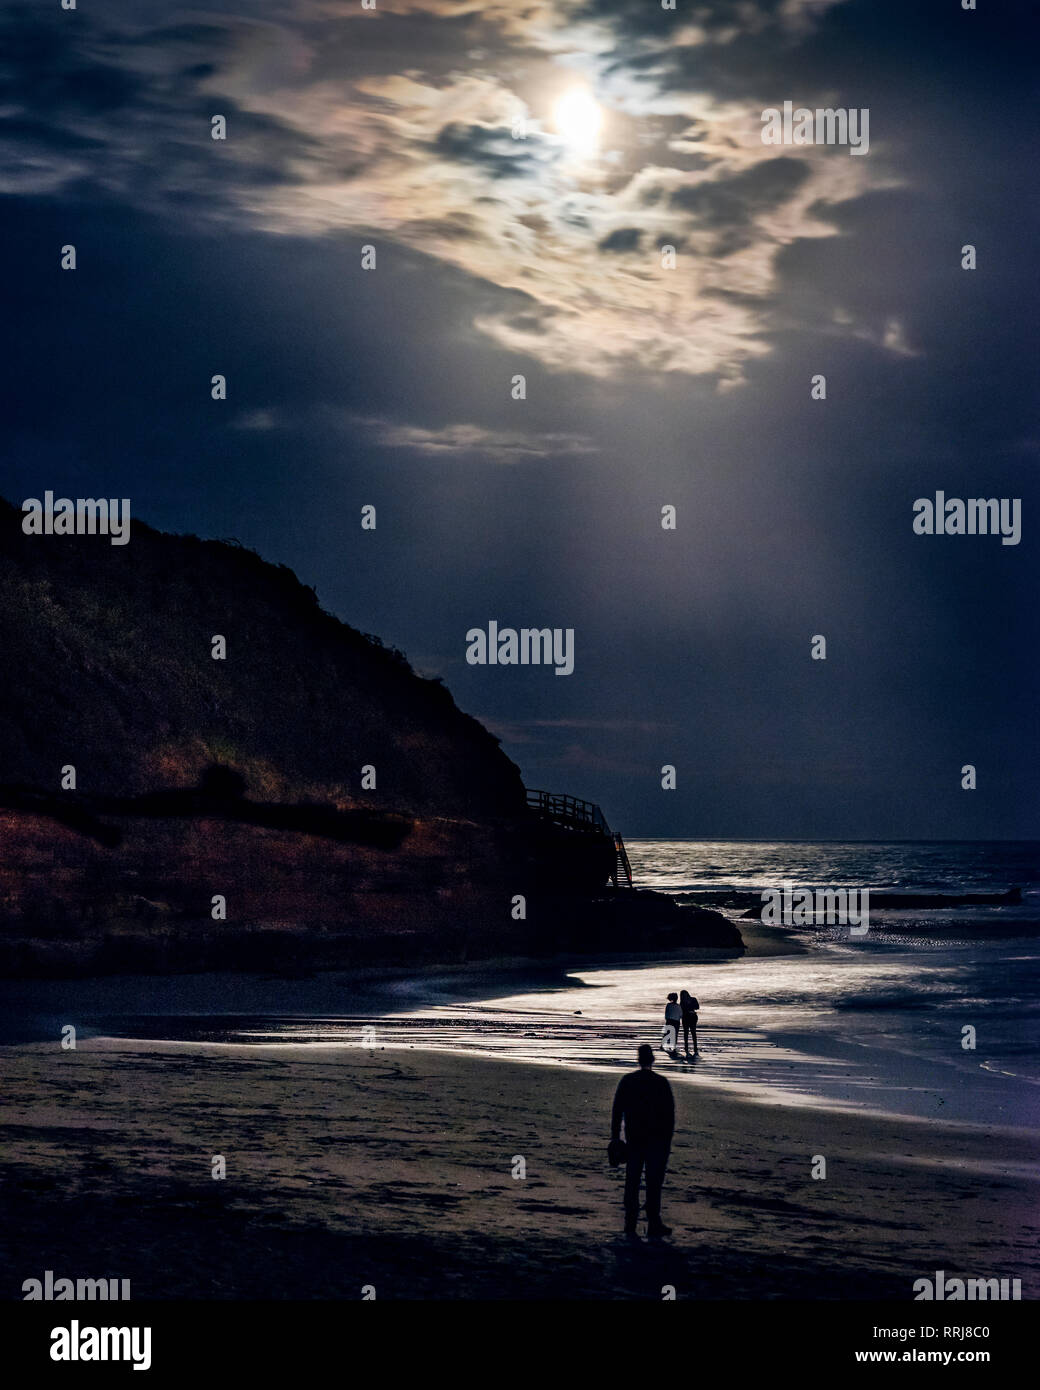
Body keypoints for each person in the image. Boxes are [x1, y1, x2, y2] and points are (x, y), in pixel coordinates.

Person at [610, 1043, 675, 1239]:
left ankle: (630, 1223)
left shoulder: (627, 1081)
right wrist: (667, 1142)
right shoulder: (661, 1082)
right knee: (654, 1182)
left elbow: (617, 1112)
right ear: (653, 1060)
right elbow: (669, 1117)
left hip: (635, 1137)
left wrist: (615, 1137)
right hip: (656, 1140)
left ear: (638, 1060)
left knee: (632, 1179)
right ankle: (654, 1222)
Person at [679, 989, 700, 1056]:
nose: (683, 996)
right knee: (687, 1033)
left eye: (683, 995)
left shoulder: (692, 999)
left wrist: (689, 1008)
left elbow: (697, 1007)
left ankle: (694, 1048)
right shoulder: (683, 1002)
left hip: (691, 1017)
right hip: (688, 1017)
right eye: (682, 995)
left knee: (691, 1032)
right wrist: (690, 1009)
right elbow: (682, 1010)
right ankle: (688, 1047)